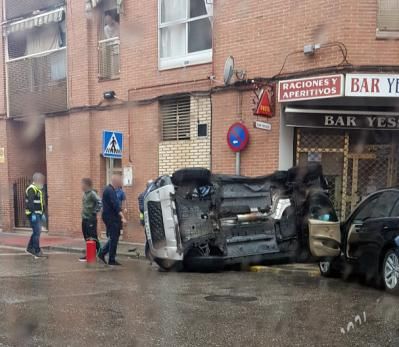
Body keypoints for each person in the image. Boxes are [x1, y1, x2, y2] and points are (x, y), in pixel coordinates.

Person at [98, 174, 127, 266]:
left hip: (110, 217)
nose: (121, 182)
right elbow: (115, 205)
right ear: (116, 181)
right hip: (111, 218)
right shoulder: (110, 190)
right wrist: (122, 217)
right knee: (114, 238)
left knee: (114, 237)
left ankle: (102, 253)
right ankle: (111, 259)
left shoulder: (110, 190)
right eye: (120, 180)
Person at [80, 178, 102, 262]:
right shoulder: (85, 194)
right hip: (84, 218)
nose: (81, 186)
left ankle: (100, 253)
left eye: (82, 184)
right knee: (87, 237)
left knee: (93, 237)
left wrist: (94, 213)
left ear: (86, 185)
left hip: (90, 219)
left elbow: (100, 203)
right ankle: (89, 254)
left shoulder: (92, 193)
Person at [25, 173, 46, 258]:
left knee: (36, 232)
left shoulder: (38, 189)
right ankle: (36, 251)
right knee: (37, 232)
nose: (42, 182)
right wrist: (33, 214)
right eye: (41, 180)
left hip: (38, 214)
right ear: (36, 180)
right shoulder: (31, 189)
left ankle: (30, 248)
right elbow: (30, 203)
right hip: (33, 214)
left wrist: (42, 212)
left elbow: (40, 203)